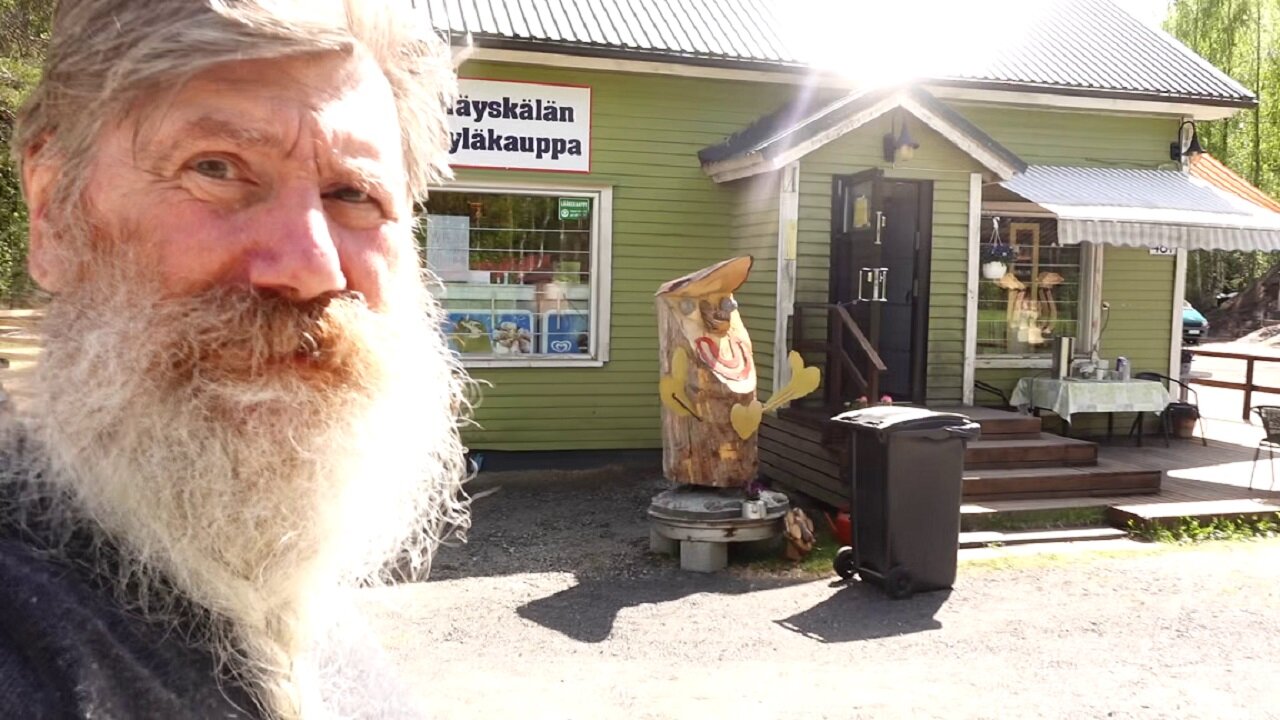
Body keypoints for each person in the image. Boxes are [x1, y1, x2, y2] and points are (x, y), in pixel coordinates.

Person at [3, 0, 471, 717]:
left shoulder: (298, 607)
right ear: (52, 210)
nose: (311, 268)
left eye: (353, 193)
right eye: (216, 168)